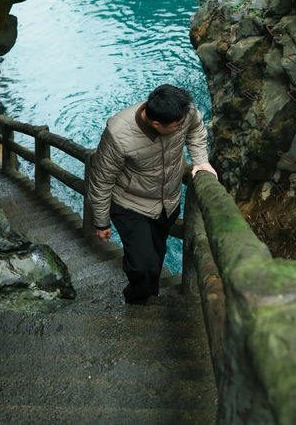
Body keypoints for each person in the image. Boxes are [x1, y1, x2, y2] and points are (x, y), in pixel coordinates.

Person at [87, 84, 217, 305]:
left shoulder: (182, 112)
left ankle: (147, 293)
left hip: (168, 202)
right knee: (142, 265)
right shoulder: (119, 133)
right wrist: (101, 222)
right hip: (129, 203)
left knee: (155, 258)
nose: (181, 127)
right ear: (157, 123)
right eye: (177, 126)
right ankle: (135, 300)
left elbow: (196, 127)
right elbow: (101, 180)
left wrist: (200, 160)